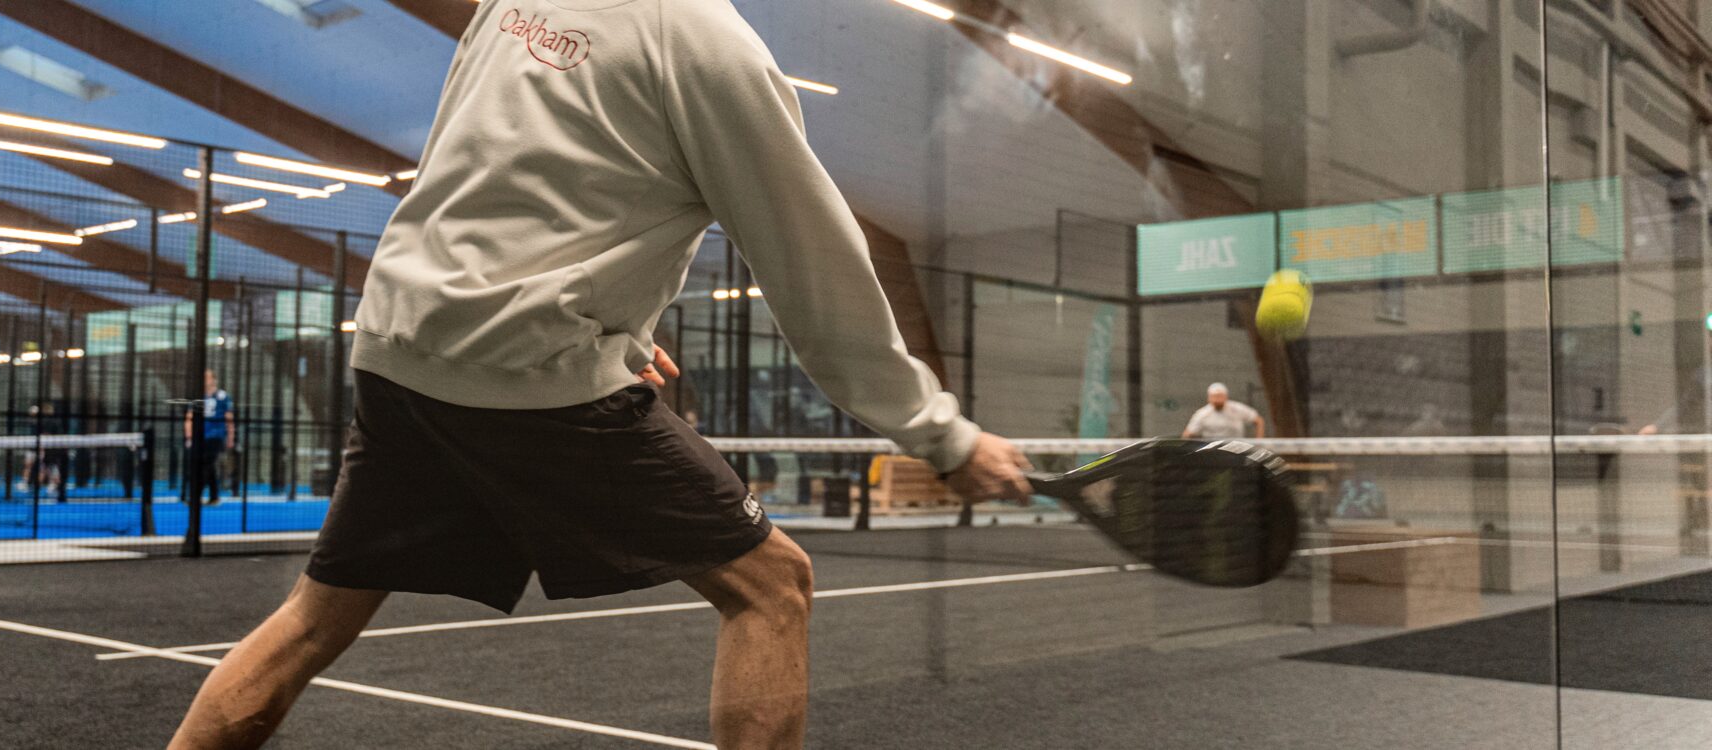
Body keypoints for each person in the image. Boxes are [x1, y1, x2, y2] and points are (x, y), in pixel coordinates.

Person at [169, 1, 1032, 747]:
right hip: (530, 374)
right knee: (772, 589)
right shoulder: (711, 48)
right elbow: (817, 275)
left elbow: (485, 174)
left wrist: (620, 331)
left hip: (399, 348)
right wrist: (944, 436)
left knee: (313, 621)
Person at [182, 370, 235, 507]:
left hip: (215, 436)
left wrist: (231, 437)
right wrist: (189, 436)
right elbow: (189, 418)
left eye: (207, 377)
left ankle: (195, 496)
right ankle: (214, 497)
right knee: (207, 465)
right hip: (200, 436)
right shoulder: (198, 397)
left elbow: (229, 418)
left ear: (214, 379)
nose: (205, 380)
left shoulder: (222, 396)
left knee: (206, 464)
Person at [1182, 383, 1265, 440]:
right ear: (1209, 398)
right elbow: (1188, 434)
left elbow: (1258, 421)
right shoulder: (1202, 414)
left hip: (1237, 449)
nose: (1217, 399)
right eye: (1214, 396)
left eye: (1220, 396)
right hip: (1212, 452)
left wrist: (1259, 442)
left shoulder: (1237, 409)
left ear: (1226, 397)